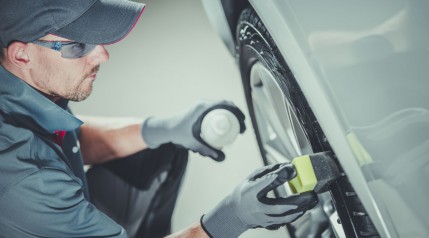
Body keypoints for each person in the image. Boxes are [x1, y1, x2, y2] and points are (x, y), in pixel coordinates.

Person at [0, 0, 318, 237]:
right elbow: (37, 161)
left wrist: (164, 128)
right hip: (42, 208)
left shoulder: (23, 90)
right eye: (79, 46)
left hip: (48, 209)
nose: (102, 55)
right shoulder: (24, 176)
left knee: (155, 148)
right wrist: (230, 218)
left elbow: (66, 137)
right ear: (22, 54)